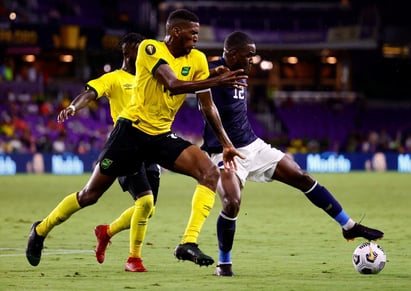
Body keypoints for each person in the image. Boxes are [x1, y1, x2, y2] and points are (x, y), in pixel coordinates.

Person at [26, 9, 247, 272]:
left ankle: (187, 243)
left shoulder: (198, 60)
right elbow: (173, 85)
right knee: (90, 195)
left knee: (209, 173)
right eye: (193, 32)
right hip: (130, 132)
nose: (197, 37)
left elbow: (207, 106)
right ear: (176, 31)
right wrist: (214, 79)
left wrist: (225, 143)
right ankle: (40, 230)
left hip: (161, 135)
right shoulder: (150, 49)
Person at [200, 31, 384, 277]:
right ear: (232, 54)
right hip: (224, 152)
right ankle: (224, 264)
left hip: (252, 146)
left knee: (302, 176)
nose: (252, 60)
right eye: (249, 55)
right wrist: (210, 77)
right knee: (232, 203)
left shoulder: (241, 74)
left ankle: (348, 226)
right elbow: (196, 89)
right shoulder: (211, 71)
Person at [56, 32, 161, 269]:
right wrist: (74, 106)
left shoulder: (150, 78)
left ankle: (106, 231)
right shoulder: (114, 78)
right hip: (124, 146)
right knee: (144, 202)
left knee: (148, 209)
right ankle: (134, 258)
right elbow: (91, 92)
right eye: (139, 52)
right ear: (127, 53)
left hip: (150, 145)